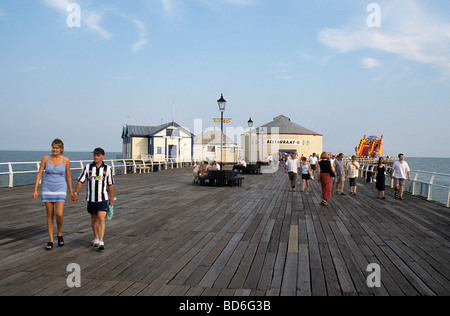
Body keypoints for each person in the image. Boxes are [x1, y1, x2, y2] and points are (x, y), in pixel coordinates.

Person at [32, 139, 74, 250]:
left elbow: (68, 177)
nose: (54, 150)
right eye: (53, 147)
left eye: (57, 148)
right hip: (47, 188)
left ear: (61, 149)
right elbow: (39, 173)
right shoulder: (45, 158)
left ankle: (59, 234)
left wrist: (71, 192)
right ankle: (50, 239)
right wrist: (35, 190)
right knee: (49, 214)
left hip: (60, 188)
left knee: (59, 214)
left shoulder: (66, 160)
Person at [73, 148, 115, 251]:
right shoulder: (88, 168)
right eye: (94, 155)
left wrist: (111, 198)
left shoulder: (107, 169)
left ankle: (101, 240)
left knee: (101, 218)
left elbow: (110, 185)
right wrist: (75, 193)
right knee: (94, 219)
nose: (95, 157)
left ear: (102, 156)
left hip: (103, 198)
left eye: (98, 155)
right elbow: (80, 181)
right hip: (91, 198)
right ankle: (96, 237)